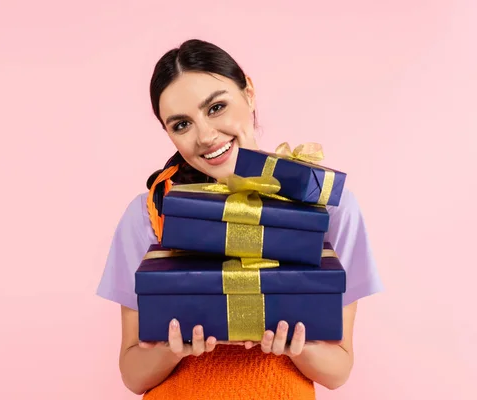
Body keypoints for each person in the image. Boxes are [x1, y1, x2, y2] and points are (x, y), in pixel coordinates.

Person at [96, 38, 383, 399]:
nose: (205, 136)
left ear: (248, 92)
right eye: (181, 124)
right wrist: (174, 347)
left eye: (216, 107)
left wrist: (294, 345)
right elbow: (133, 375)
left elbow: (338, 369)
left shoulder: (326, 207)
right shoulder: (151, 212)